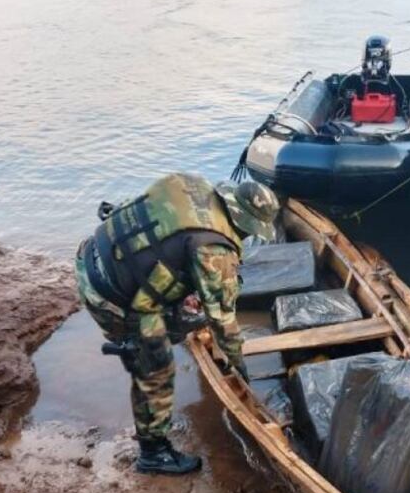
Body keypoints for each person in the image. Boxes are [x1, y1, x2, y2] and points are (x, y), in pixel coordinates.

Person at [74, 173, 280, 476]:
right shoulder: (214, 250)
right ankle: (153, 453)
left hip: (91, 254)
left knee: (181, 312)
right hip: (105, 293)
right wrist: (239, 369)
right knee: (156, 364)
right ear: (246, 223)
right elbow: (224, 325)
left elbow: (156, 235)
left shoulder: (193, 186)